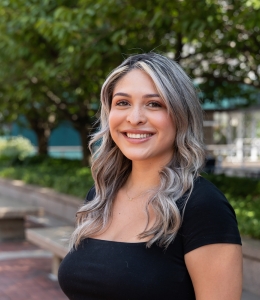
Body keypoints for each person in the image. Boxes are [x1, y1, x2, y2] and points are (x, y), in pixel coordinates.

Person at [58, 53, 242, 300]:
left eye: (154, 104)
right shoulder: (101, 195)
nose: (134, 118)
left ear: (181, 115)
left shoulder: (203, 206)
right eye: (122, 103)